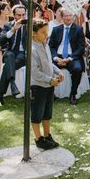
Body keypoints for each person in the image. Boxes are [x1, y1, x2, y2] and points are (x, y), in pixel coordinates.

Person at [30, 19, 65, 150]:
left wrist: (58, 71)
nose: (46, 34)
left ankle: (47, 135)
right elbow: (35, 71)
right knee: (37, 113)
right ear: (34, 34)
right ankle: (39, 139)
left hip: (49, 85)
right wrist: (50, 80)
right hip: (38, 86)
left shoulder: (45, 44)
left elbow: (49, 63)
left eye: (47, 31)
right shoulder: (32, 49)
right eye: (43, 32)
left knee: (46, 112)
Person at [49, 9, 85, 105]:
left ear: (73, 17)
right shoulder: (56, 29)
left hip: (72, 56)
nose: (68, 18)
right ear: (62, 17)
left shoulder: (78, 29)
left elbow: (81, 48)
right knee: (47, 68)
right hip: (58, 56)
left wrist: (69, 59)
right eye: (65, 16)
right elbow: (51, 46)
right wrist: (55, 58)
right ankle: (51, 94)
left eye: (70, 15)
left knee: (78, 69)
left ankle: (73, 94)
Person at [0, 4, 28, 105]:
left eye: (23, 15)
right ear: (14, 15)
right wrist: (13, 29)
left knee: (9, 66)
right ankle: (12, 83)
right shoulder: (8, 25)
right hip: (11, 52)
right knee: (9, 56)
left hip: (23, 54)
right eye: (19, 15)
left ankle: (0, 95)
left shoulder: (29, 26)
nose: (21, 18)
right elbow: (1, 40)